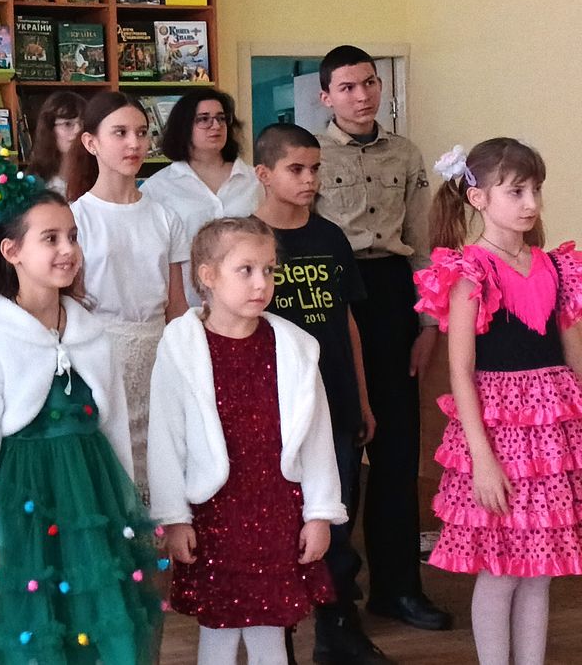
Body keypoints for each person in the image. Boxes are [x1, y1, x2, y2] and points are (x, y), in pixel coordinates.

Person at [0, 149, 162, 663]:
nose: (67, 250)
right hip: (26, 506)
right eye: (51, 238)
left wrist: (127, 513)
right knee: (38, 630)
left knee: (97, 620)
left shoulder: (91, 332)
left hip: (93, 502)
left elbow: (114, 429)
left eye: (72, 237)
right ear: (11, 251)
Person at [413, 138, 582, 665]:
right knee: (502, 568)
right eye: (516, 191)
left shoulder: (557, 267)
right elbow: (460, 372)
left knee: (540, 570)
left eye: (536, 190)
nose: (531, 203)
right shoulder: (470, 272)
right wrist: (483, 460)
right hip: (499, 435)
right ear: (478, 198)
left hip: (553, 434)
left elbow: (574, 355)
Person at [148, 216, 346, 665]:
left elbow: (316, 439)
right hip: (215, 512)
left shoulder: (295, 349)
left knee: (270, 628)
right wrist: (174, 517)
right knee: (218, 627)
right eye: (246, 270)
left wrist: (319, 513)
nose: (262, 283)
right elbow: (166, 440)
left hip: (277, 509)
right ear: (208, 276)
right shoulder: (181, 348)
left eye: (269, 270)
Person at [313, 45, 451, 631]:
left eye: (369, 83)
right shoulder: (310, 155)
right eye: (347, 87)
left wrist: (428, 323)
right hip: (334, 297)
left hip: (393, 296)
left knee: (396, 449)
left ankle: (397, 588)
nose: (362, 95)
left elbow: (422, 243)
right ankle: (335, 592)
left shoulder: (406, 153)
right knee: (338, 450)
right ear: (326, 96)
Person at [253, 124, 389, 665]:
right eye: (296, 169)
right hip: (275, 407)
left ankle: (338, 632)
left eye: (315, 169)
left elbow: (346, 321)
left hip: (335, 401)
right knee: (278, 524)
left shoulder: (331, 237)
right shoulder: (248, 240)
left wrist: (362, 398)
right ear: (264, 174)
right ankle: (279, 636)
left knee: (336, 517)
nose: (309, 179)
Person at [66, 91, 186, 498]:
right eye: (120, 133)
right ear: (91, 142)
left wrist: (182, 360)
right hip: (99, 352)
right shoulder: (77, 217)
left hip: (156, 350)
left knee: (159, 460)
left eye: (141, 132)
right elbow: (71, 303)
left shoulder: (165, 216)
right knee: (111, 464)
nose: (134, 143)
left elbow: (176, 305)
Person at [141, 87, 261, 308]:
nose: (215, 126)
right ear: (184, 127)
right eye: (204, 119)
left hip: (251, 302)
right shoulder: (158, 188)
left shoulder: (255, 180)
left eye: (221, 119)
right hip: (188, 306)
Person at [26, 89, 84, 195]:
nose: (78, 130)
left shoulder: (100, 178)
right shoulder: (35, 183)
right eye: (67, 124)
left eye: (82, 124)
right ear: (50, 130)